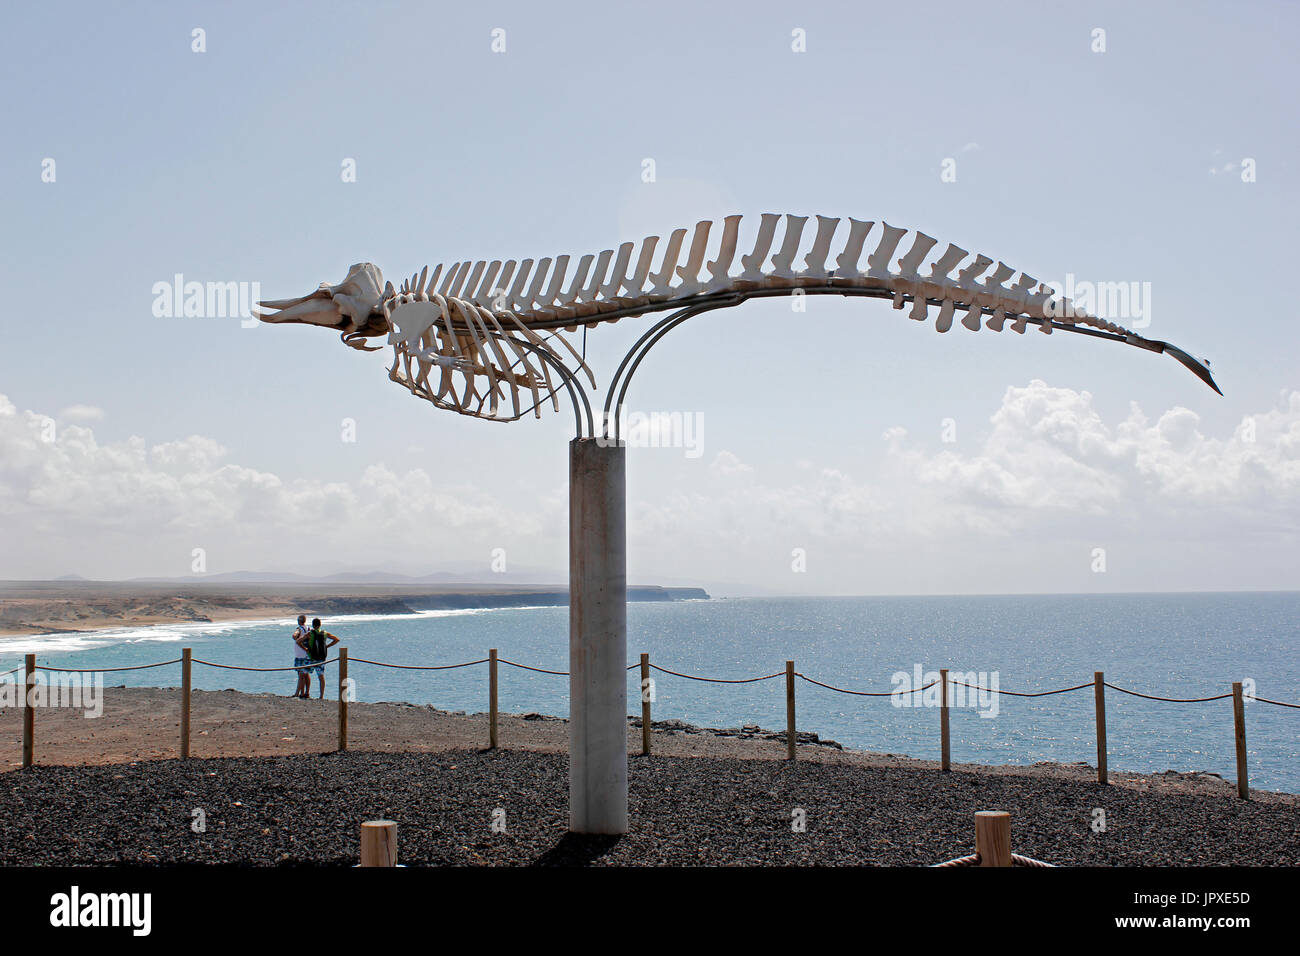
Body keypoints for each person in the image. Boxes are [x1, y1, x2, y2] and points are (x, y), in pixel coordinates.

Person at [304, 617, 339, 700]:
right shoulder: (325, 633)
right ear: (320, 625)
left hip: (311, 657)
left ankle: (307, 692)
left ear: (313, 625)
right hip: (321, 659)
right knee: (321, 677)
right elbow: (336, 639)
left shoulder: (310, 633)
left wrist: (305, 649)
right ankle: (321, 696)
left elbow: (298, 641)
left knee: (305, 674)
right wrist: (327, 646)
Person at [291, 615, 311, 699]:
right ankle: (306, 692)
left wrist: (297, 639)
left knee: (300, 674)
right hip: (307, 654)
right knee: (306, 674)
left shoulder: (299, 629)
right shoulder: (309, 629)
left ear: (299, 621)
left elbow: (294, 635)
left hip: (300, 654)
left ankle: (298, 693)